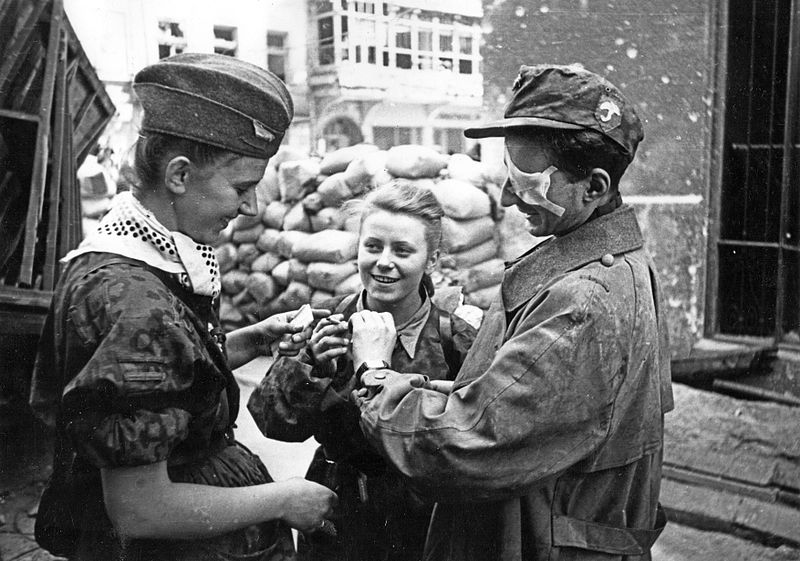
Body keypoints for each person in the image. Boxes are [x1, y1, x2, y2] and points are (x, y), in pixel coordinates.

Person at [350, 64, 674, 561]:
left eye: (526, 180)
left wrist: (374, 376)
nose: (504, 196)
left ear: (594, 187)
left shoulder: (580, 303)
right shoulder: (617, 265)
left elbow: (468, 443)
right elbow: (520, 405)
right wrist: (420, 386)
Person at [29, 53, 337, 561]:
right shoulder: (131, 302)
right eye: (242, 187)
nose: (252, 207)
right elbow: (140, 509)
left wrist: (249, 341)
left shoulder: (131, 261)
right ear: (178, 175)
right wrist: (285, 499)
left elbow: (170, 377)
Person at [247, 180, 478, 561]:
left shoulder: (456, 339)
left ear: (431, 261)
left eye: (402, 250)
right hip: (338, 512)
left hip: (424, 521)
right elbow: (272, 423)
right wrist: (311, 368)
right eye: (373, 246)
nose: (383, 261)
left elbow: (471, 442)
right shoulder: (327, 322)